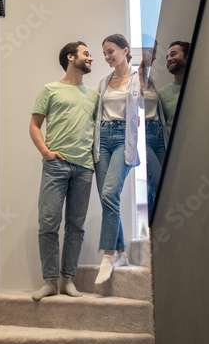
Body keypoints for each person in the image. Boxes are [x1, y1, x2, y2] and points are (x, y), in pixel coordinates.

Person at [30, 41, 99, 301]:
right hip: (56, 165)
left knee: (75, 226)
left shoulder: (94, 95)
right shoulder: (50, 90)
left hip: (84, 168)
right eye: (86, 53)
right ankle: (49, 281)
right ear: (70, 57)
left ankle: (67, 279)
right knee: (48, 223)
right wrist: (46, 153)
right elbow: (35, 126)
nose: (90, 58)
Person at [93, 34, 144, 284]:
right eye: (104, 53)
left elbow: (147, 106)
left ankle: (108, 254)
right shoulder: (103, 82)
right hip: (102, 139)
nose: (107, 56)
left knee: (109, 194)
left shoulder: (137, 80)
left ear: (125, 50)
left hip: (123, 139)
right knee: (107, 199)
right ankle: (122, 251)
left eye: (111, 51)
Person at [139, 41, 168, 221]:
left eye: (155, 52)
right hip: (145, 136)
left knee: (162, 185)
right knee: (159, 184)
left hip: (158, 134)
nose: (155, 56)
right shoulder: (132, 77)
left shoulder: (151, 80)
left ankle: (151, 231)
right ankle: (156, 231)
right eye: (152, 52)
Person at [158, 41, 190, 137]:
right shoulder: (161, 94)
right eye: (167, 57)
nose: (169, 59)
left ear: (188, 56)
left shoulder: (204, 87)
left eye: (173, 54)